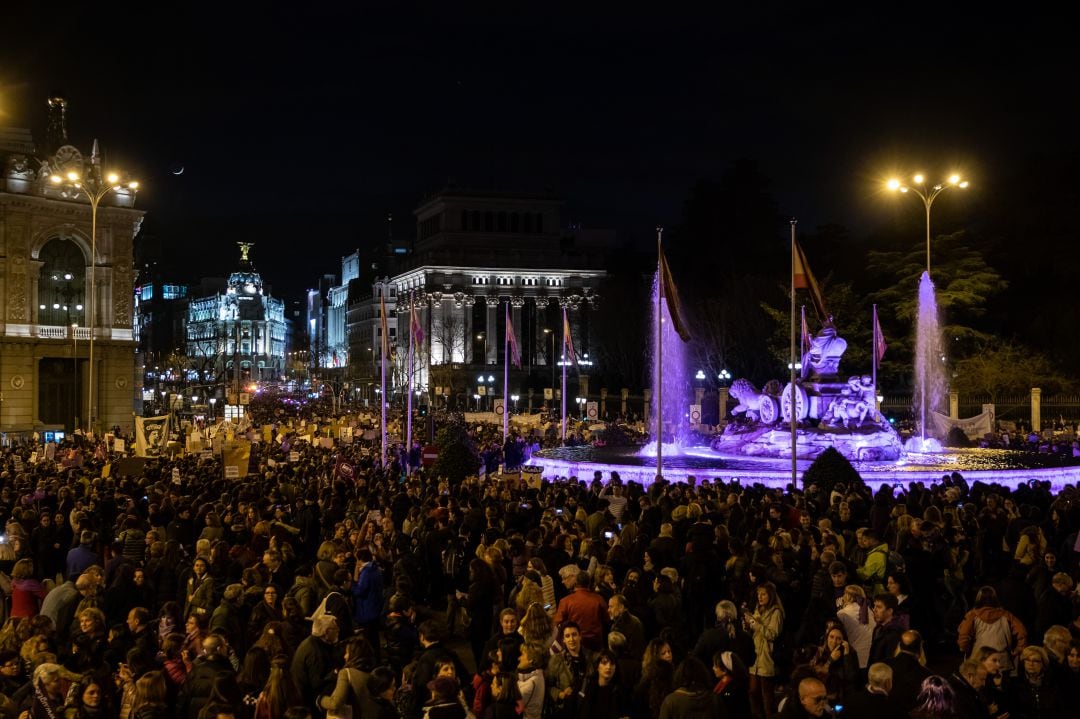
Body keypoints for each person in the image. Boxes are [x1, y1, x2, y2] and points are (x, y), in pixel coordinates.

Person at [956, 586, 1027, 672]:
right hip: (1001, 660)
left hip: (979, 660)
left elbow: (963, 636)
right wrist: (1018, 649)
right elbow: (1022, 632)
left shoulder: (972, 615)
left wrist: (965, 649)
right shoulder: (1007, 615)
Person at [746, 582, 784, 719]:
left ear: (771, 595)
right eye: (758, 594)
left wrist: (755, 624)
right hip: (755, 656)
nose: (760, 597)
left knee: (767, 696)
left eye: (763, 594)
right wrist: (747, 624)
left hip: (767, 656)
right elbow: (755, 632)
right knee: (753, 691)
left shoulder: (776, 612)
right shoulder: (758, 609)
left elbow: (772, 634)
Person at [290, 615, 339, 714]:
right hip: (308, 704)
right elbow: (317, 684)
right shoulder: (316, 653)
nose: (338, 630)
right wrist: (335, 674)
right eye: (335, 628)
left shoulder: (313, 643)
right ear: (326, 632)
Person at [553, 571, 609, 652]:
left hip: (574, 643)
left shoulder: (566, 601)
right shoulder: (599, 599)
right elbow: (607, 620)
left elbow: (557, 622)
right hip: (596, 643)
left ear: (576, 583)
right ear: (589, 583)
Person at [577, 649, 629, 719]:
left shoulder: (621, 691)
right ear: (597, 666)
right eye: (604, 663)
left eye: (612, 663)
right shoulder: (587, 687)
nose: (608, 667)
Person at [712, 650, 751, 719]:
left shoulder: (733, 689)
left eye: (715, 666)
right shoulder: (724, 683)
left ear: (724, 670)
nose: (713, 668)